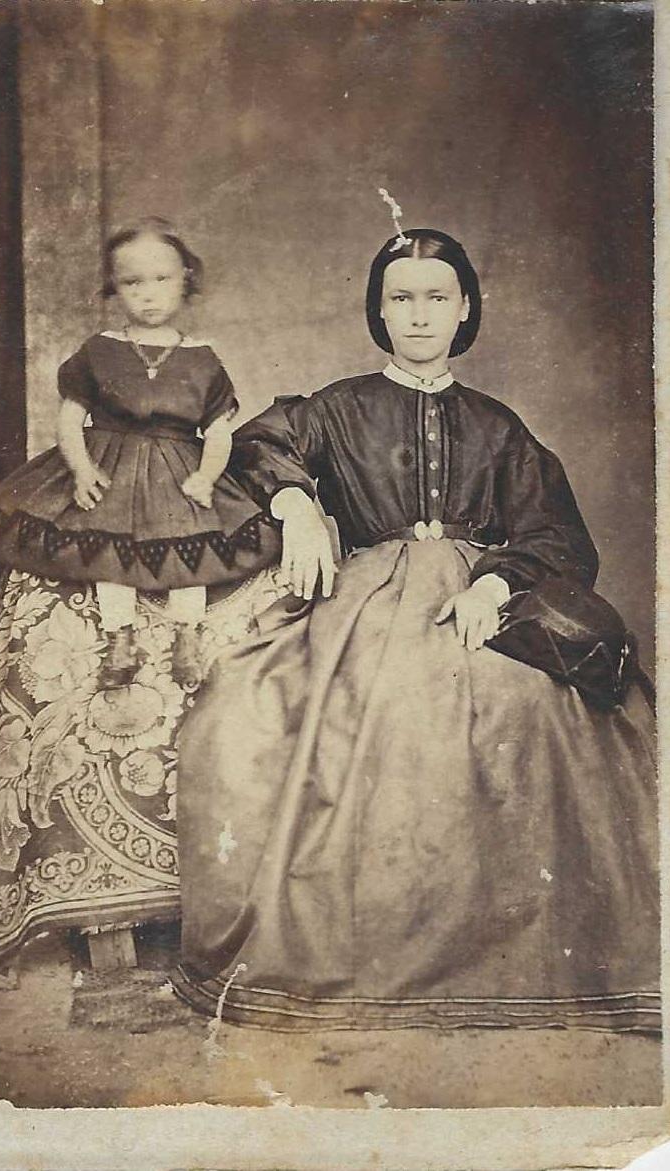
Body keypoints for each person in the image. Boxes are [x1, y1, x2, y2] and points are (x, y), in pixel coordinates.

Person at [172, 227, 659, 1032]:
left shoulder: (500, 427)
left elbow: (554, 536)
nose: (420, 315)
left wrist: (496, 581)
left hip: (483, 605)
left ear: (464, 308)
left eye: (437, 297)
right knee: (279, 713)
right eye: (401, 298)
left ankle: (513, 959)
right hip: (366, 601)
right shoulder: (336, 406)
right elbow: (259, 445)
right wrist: (296, 505)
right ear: (379, 310)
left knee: (533, 711)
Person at [0, 217, 281, 687]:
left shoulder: (203, 359)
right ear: (114, 288)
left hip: (179, 470)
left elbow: (219, 430)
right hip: (111, 468)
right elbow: (69, 417)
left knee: (193, 548)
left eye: (161, 279)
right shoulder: (99, 350)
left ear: (186, 279)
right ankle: (118, 639)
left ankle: (187, 636)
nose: (147, 293)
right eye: (132, 282)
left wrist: (205, 476)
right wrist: (81, 471)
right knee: (108, 550)